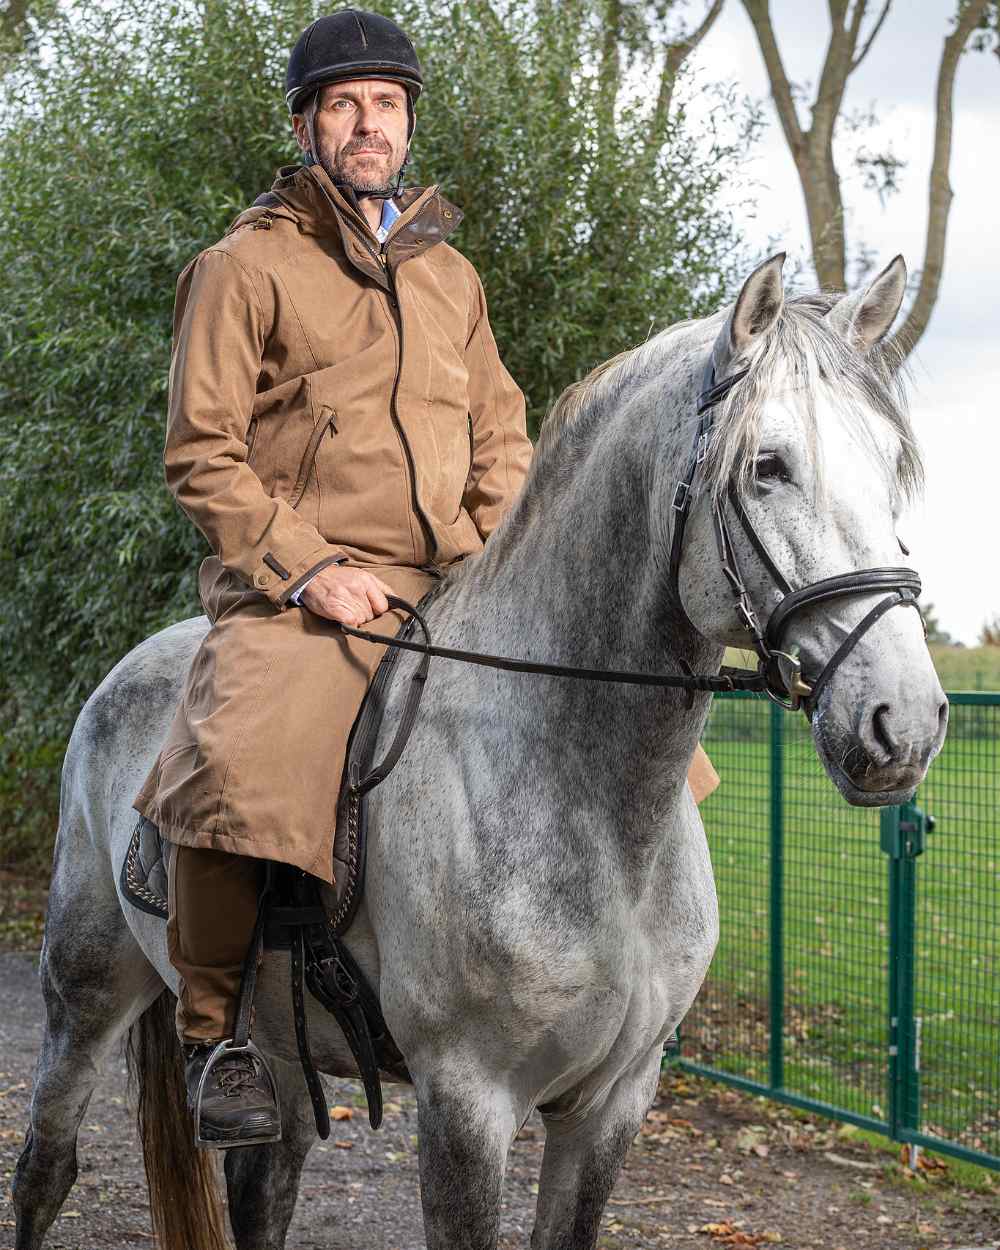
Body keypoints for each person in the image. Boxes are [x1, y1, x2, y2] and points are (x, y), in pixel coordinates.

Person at [135, 7, 718, 1148]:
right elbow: (200, 452)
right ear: (306, 124)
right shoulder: (242, 266)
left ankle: (615, 989)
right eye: (345, 104)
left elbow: (502, 439)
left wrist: (510, 564)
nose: (369, 124)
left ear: (406, 124)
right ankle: (214, 1036)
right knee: (236, 753)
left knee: (662, 756)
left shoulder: (450, 276)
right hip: (303, 586)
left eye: (388, 105)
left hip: (452, 576)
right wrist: (307, 572)